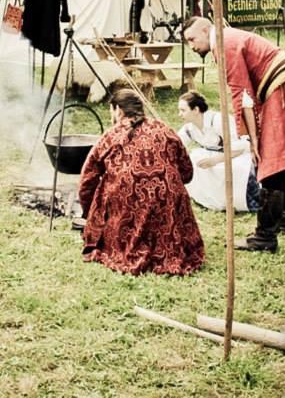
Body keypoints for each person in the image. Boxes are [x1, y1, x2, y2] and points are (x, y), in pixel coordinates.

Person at [183, 17, 285, 253]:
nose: (191, 46)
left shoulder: (223, 43)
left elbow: (242, 94)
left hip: (283, 88)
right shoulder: (226, 39)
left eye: (192, 39)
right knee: (283, 160)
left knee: (271, 162)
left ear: (206, 30)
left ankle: (265, 237)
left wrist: (252, 139)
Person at [78, 89, 204, 275]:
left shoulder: (110, 136)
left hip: (127, 213)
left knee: (106, 186)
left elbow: (86, 181)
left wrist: (91, 214)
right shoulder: (164, 129)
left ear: (118, 110)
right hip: (168, 214)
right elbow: (187, 172)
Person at [176, 90, 260, 212]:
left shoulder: (218, 120)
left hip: (238, 155)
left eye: (183, 110)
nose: (180, 114)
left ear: (196, 110)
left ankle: (241, 201)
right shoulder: (190, 128)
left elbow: (240, 147)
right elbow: (176, 143)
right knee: (194, 159)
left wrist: (215, 160)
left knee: (231, 168)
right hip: (216, 156)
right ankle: (210, 199)